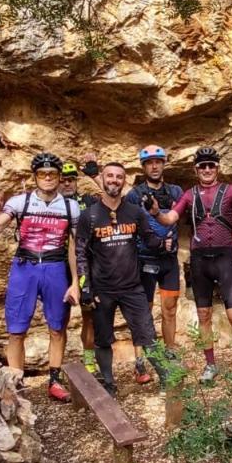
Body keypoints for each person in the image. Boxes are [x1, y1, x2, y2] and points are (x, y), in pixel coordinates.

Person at [145, 147, 232, 381]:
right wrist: (155, 212)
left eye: (211, 165)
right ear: (195, 169)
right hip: (200, 259)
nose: (207, 169)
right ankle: (211, 365)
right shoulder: (189, 194)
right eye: (202, 166)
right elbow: (170, 218)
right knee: (203, 314)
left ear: (218, 168)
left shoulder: (231, 190)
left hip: (224, 258)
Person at [0, 152, 80, 402]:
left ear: (60, 178)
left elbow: (74, 247)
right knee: (16, 330)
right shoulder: (20, 202)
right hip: (25, 267)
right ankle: (16, 382)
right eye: (42, 174)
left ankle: (55, 381)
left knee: (57, 327)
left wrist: (75, 283)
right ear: (35, 177)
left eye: (52, 174)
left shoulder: (71, 207)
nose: (48, 178)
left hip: (55, 267)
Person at [76, 162, 171, 395]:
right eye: (110, 176)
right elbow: (80, 254)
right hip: (102, 289)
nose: (114, 180)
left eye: (119, 177)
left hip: (132, 286)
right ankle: (109, 383)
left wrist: (163, 242)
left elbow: (149, 239)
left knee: (147, 334)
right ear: (103, 179)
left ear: (123, 182)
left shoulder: (135, 212)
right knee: (103, 339)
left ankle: (168, 380)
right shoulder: (89, 215)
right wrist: (85, 288)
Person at [125, 145, 184, 382]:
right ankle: (141, 361)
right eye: (150, 163)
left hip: (169, 260)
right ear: (143, 167)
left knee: (169, 309)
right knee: (143, 312)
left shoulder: (176, 191)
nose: (155, 166)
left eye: (158, 162)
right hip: (144, 259)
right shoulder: (134, 194)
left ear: (164, 164)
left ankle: (169, 353)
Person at [61, 160, 100, 376]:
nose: (67, 184)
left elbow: (115, 200)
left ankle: (89, 361)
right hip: (58, 266)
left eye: (71, 179)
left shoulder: (88, 201)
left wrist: (96, 175)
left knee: (89, 316)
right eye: (63, 180)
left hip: (86, 264)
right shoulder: (53, 204)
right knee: (60, 319)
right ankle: (57, 366)